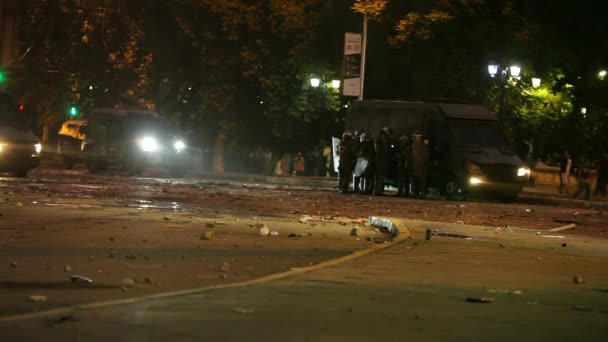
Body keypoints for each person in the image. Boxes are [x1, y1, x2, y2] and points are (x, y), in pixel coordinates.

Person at [373, 128, 391, 196]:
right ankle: (378, 191)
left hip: (377, 160)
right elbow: (385, 150)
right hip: (381, 160)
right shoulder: (383, 139)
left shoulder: (377, 139)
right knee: (380, 176)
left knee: (377, 176)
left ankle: (376, 190)